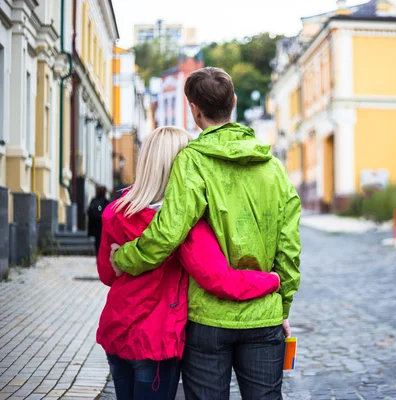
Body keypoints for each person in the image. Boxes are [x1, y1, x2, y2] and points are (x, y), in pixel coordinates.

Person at [111, 67, 302, 400]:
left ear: (194, 110)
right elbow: (289, 249)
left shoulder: (191, 162)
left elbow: (167, 234)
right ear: (234, 102)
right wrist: (281, 308)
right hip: (263, 317)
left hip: (207, 321)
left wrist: (124, 257)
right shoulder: (273, 168)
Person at [97, 126, 281, 400]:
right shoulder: (185, 225)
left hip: (117, 333)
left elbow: (106, 274)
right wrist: (273, 280)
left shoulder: (115, 211)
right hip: (155, 343)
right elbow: (219, 279)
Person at [87, 185, 110, 254]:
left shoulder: (93, 200)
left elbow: (88, 211)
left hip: (94, 225)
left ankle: (98, 254)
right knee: (102, 241)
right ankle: (101, 255)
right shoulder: (106, 201)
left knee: (97, 241)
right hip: (102, 225)